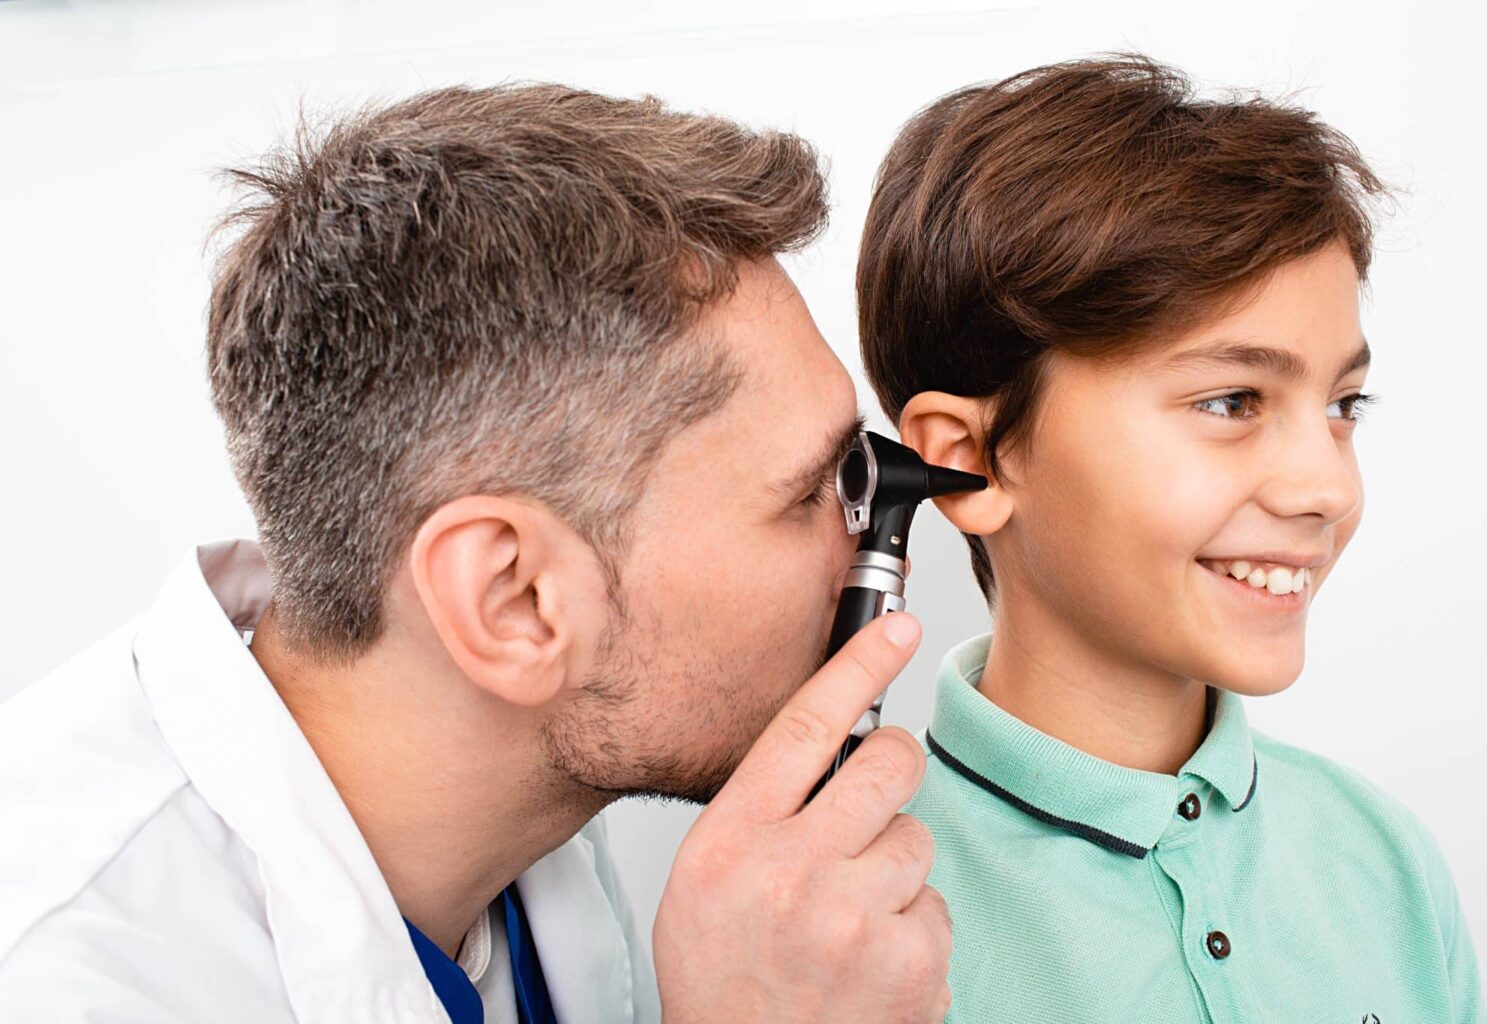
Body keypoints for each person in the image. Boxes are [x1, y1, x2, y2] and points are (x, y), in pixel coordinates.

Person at [0, 84, 952, 1023]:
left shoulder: (525, 818)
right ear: (513, 600)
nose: (870, 535)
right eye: (808, 492)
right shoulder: (60, 978)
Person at [855, 55, 1487, 1022]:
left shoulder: (1383, 858)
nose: (1328, 486)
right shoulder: (852, 915)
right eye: (1232, 400)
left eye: (1342, 404)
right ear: (972, 460)